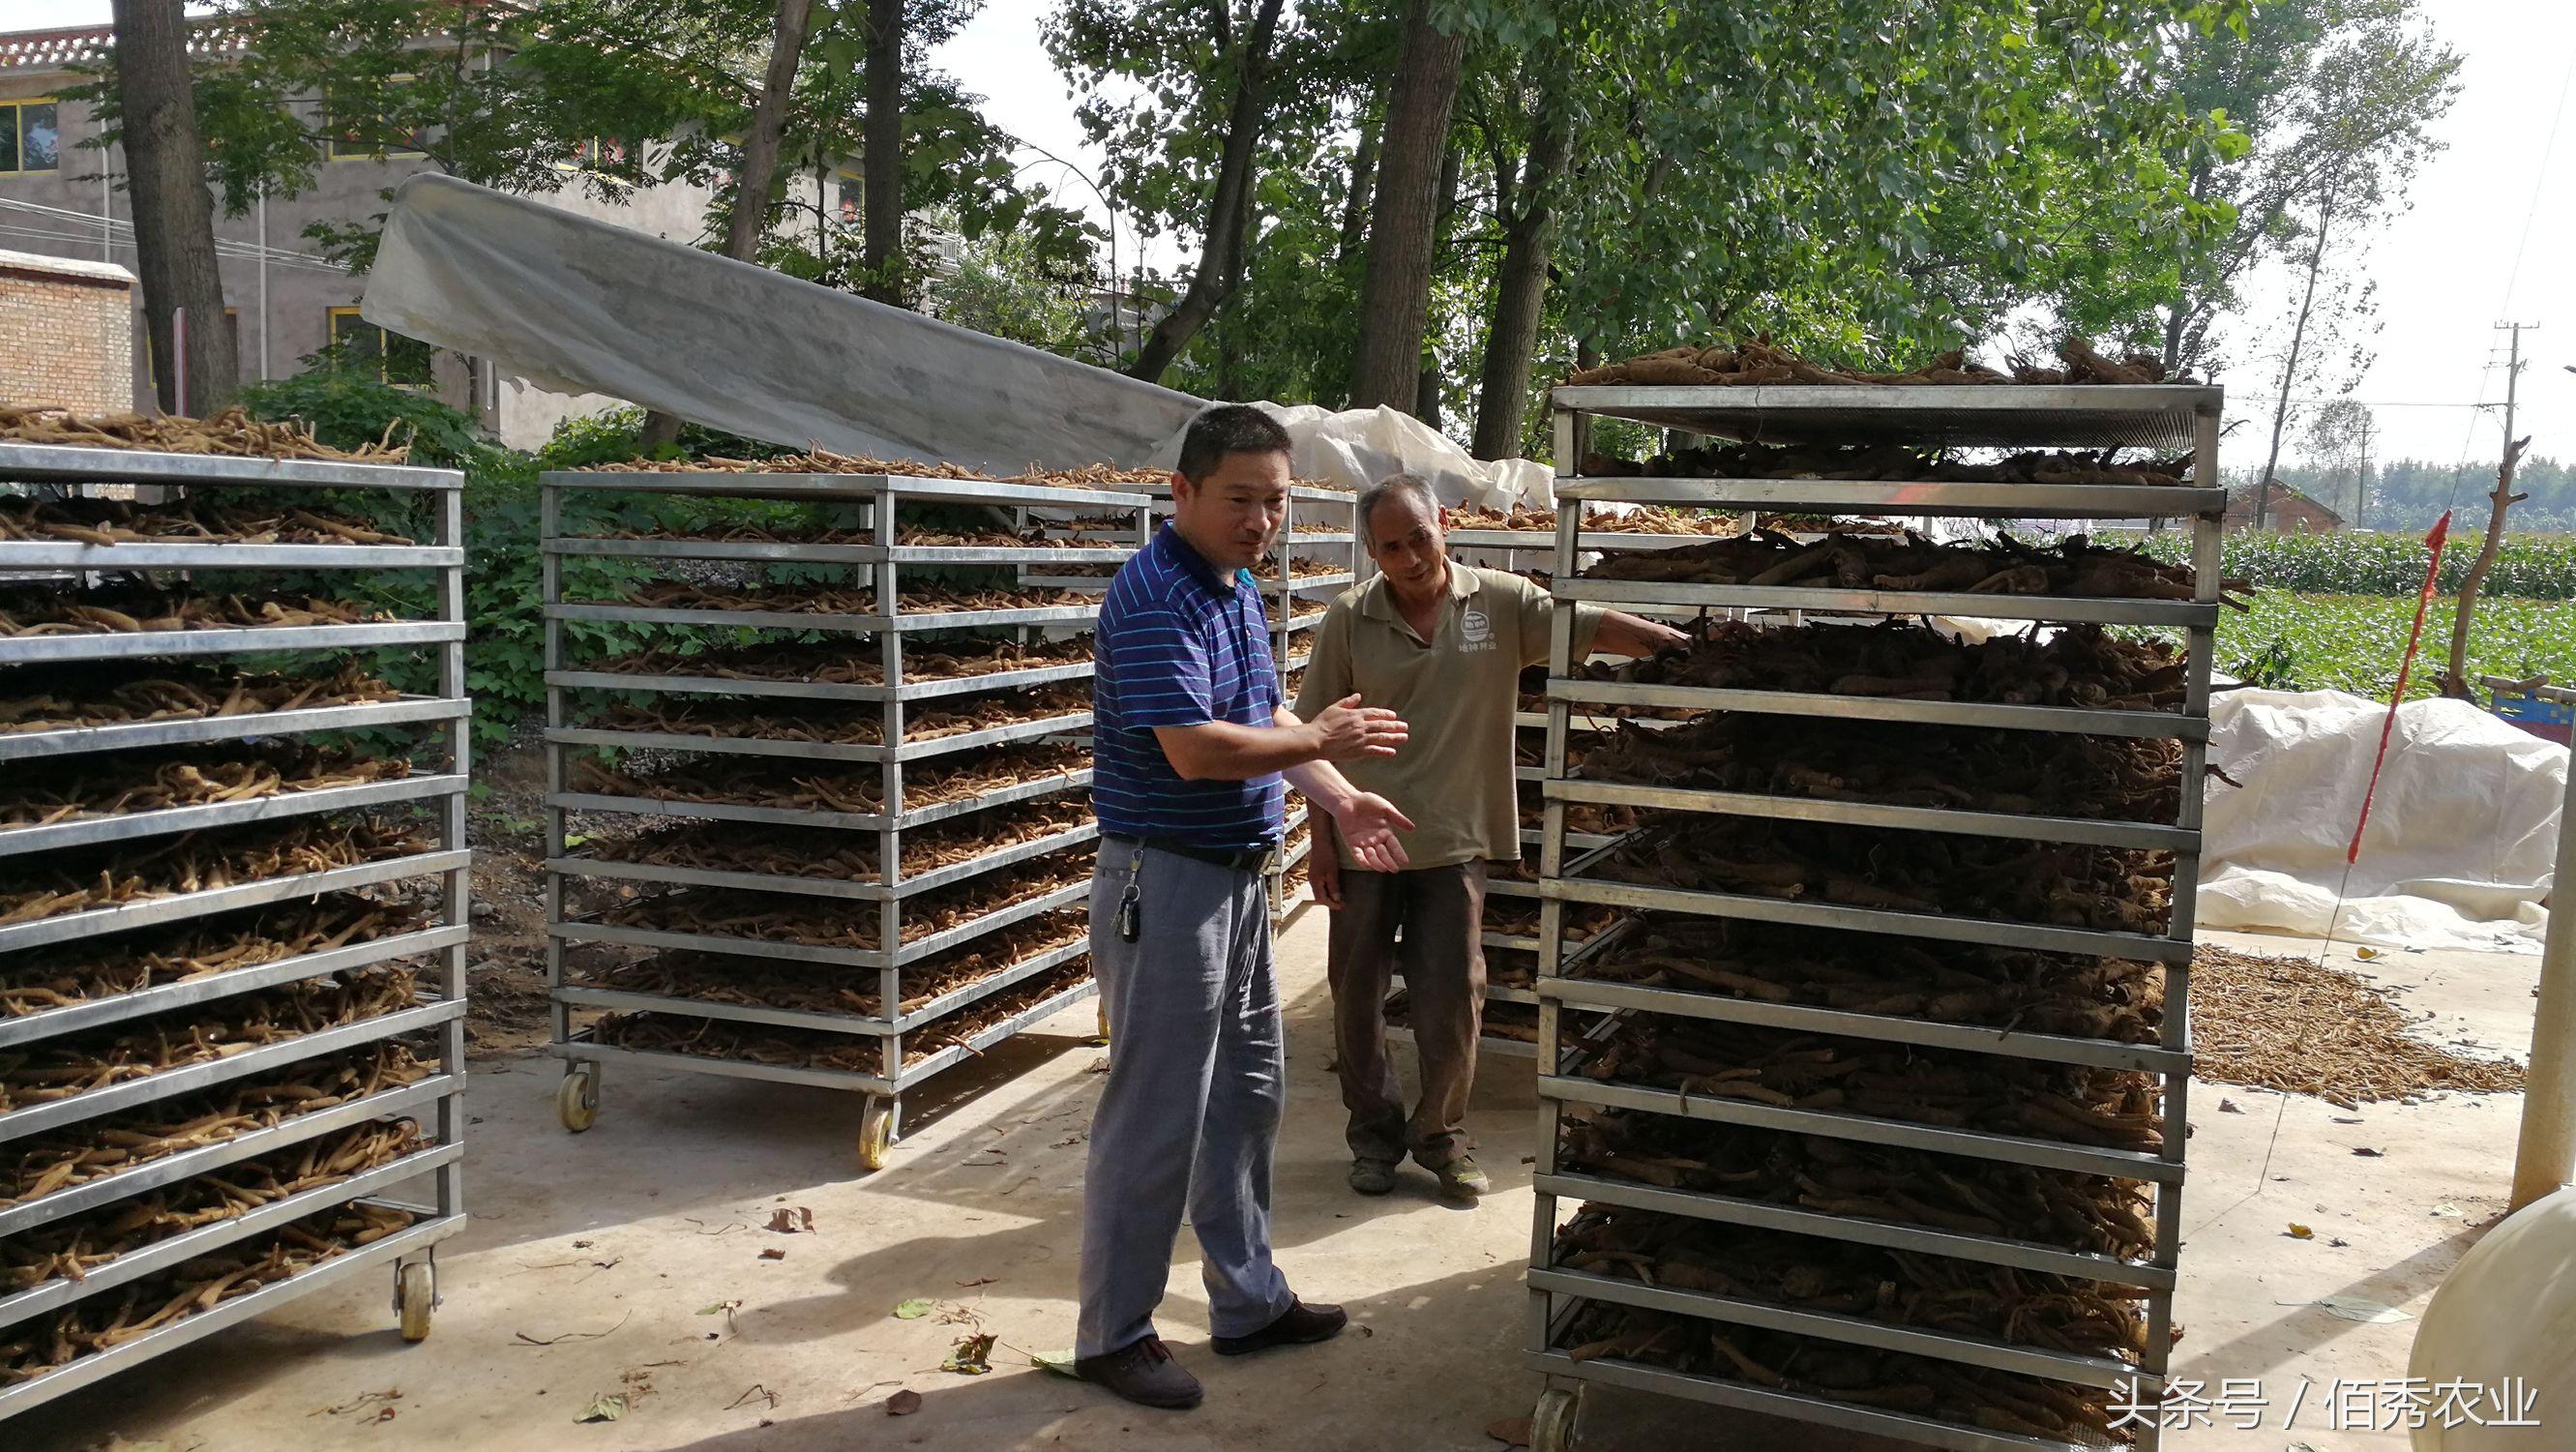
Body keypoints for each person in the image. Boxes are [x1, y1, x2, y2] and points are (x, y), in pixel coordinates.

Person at [1076, 404, 1419, 1411]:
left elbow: (1262, 714)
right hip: (1165, 878)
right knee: (1154, 1117)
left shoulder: (1227, 589)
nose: (1260, 520)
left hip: (1233, 877)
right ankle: (1113, 1334)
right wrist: (1324, 739)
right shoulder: (1154, 597)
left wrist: (1340, 796)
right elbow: (1196, 747)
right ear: (1180, 491)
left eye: (1274, 501)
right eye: (1240, 500)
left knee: (1246, 1096)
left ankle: (1247, 1299)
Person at [1295, 473, 1686, 1200]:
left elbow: (1590, 623)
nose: (1411, 556)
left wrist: (1676, 643)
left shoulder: (1500, 602)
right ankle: (1372, 1137)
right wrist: (1321, 842)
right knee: (1356, 995)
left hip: (1455, 839)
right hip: (1362, 842)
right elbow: (1311, 737)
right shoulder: (1349, 619)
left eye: (1419, 536)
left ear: (1441, 521)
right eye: (1390, 547)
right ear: (1371, 552)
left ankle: (1439, 1136)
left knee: (1455, 995)